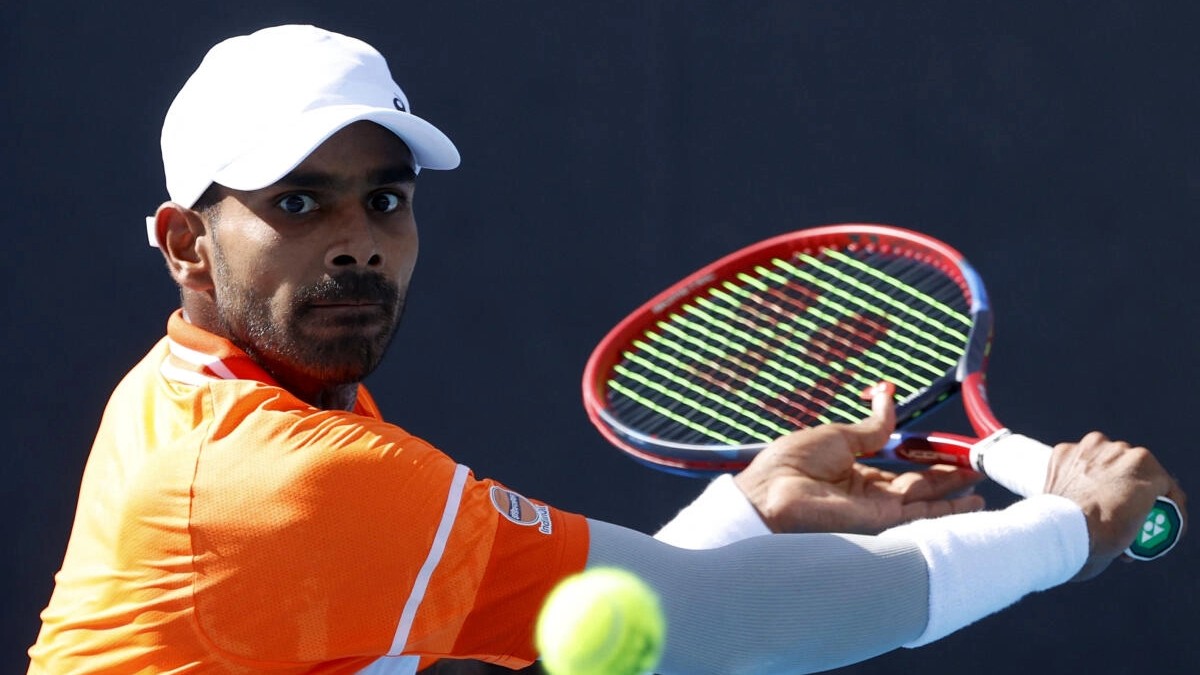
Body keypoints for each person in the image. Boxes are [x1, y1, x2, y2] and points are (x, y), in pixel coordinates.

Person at [28, 24, 1185, 675]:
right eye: (298, 205)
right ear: (187, 243)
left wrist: (750, 514)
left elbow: (596, 634)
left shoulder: (202, 396)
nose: (357, 246)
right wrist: (1064, 534)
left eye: (384, 203)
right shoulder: (283, 478)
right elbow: (718, 633)